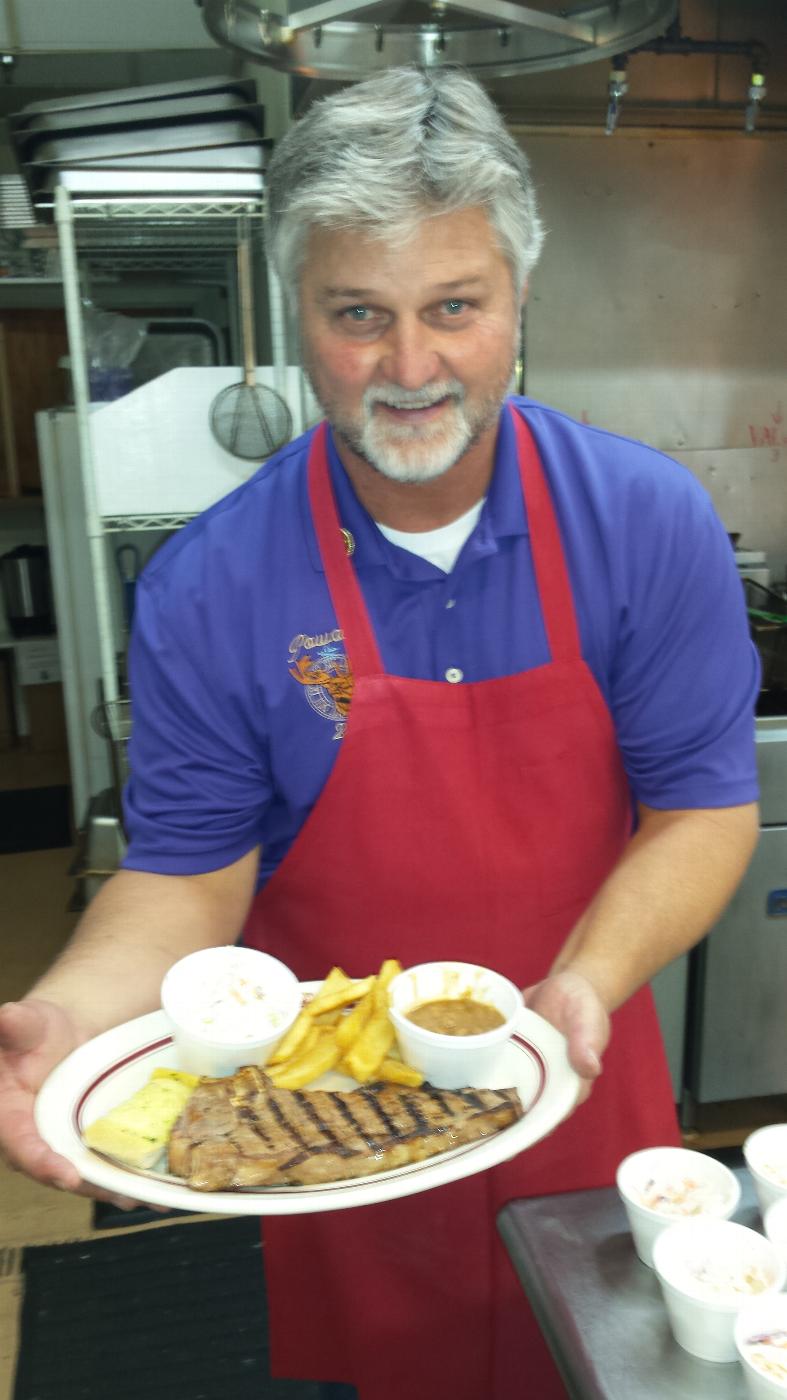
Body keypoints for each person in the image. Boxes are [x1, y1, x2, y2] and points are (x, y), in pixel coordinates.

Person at [0, 64, 760, 1400]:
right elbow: (186, 874)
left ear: (520, 300)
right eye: (360, 315)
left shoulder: (647, 526)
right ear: (295, 310)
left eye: (454, 309)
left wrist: (585, 983)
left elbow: (702, 807)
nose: (410, 369)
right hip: (328, 1139)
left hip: (577, 1079)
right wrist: (65, 1016)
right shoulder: (211, 587)